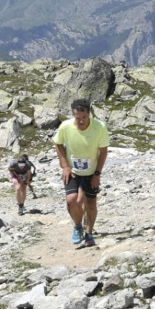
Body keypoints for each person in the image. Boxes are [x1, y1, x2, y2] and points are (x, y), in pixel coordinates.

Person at [54, 99, 109, 248]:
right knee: (72, 200)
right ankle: (78, 225)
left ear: (89, 114)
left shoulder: (100, 127)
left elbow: (103, 152)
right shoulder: (65, 127)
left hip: (91, 171)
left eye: (84, 117)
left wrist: (97, 174)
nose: (81, 121)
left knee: (91, 203)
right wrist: (65, 166)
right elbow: (58, 143)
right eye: (78, 118)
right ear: (73, 115)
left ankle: (89, 233)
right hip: (73, 170)